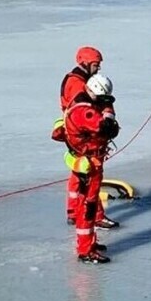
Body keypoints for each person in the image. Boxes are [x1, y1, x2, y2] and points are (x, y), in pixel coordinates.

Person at [64, 74, 121, 264]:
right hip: (89, 165)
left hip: (91, 162)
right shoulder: (84, 112)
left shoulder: (84, 103)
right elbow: (104, 127)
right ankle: (85, 250)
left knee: (89, 203)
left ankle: (89, 243)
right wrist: (109, 124)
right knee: (87, 208)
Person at [56, 46, 104, 226]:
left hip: (75, 133)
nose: (98, 68)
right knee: (90, 176)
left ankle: (73, 210)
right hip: (82, 137)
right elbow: (83, 111)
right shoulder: (77, 84)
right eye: (96, 65)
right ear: (85, 63)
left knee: (79, 173)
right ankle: (94, 215)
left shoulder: (78, 79)